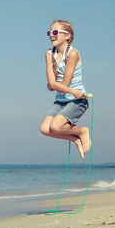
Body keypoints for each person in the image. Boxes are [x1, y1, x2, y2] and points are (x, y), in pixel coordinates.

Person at [39, 20, 91, 159]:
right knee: (44, 129)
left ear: (67, 36)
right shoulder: (49, 54)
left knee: (56, 127)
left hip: (77, 100)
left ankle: (83, 131)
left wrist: (54, 86)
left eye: (55, 32)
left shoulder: (72, 54)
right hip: (61, 100)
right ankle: (75, 139)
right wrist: (54, 85)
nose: (51, 35)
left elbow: (62, 84)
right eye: (49, 33)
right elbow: (52, 83)